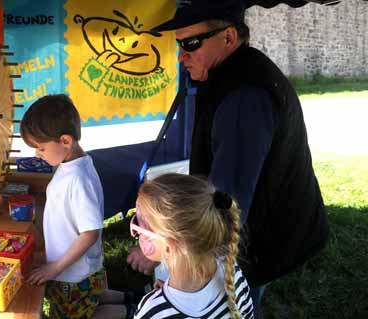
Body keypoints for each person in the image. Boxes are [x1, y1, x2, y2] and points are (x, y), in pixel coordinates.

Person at [128, 0, 330, 311]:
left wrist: (162, 251)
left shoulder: (243, 99)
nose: (181, 55)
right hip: (269, 220)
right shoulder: (236, 71)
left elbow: (227, 198)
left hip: (270, 234)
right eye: (179, 44)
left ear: (228, 37)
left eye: (191, 44)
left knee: (235, 304)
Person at [22, 94, 132, 318]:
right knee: (93, 297)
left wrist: (55, 268)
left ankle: (129, 313)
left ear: (65, 141)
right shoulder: (71, 162)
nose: (36, 154)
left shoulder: (78, 179)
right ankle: (131, 302)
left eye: (40, 148)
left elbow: (89, 233)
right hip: (79, 270)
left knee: (80, 314)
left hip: (72, 273)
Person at [131, 173, 253, 319]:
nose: (135, 231)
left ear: (169, 247)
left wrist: (161, 301)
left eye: (138, 224)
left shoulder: (152, 312)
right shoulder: (231, 269)